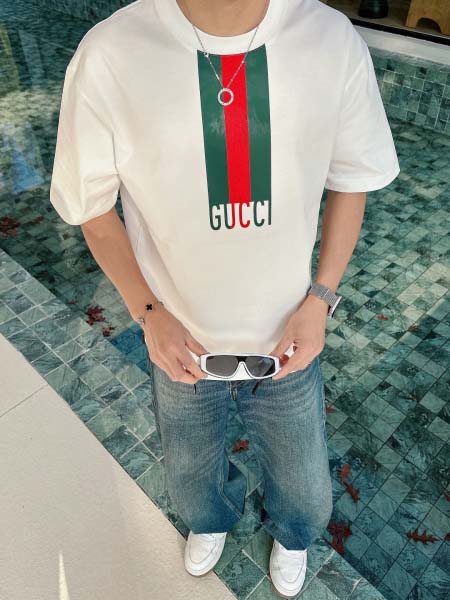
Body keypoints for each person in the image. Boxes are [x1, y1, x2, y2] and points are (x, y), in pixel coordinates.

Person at [49, 0, 400, 596]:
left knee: (306, 488)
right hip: (181, 340)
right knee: (190, 481)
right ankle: (212, 519)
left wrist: (321, 299)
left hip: (287, 339)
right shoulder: (112, 52)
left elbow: (352, 178)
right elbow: (90, 206)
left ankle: (292, 533)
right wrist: (148, 313)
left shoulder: (328, 38)